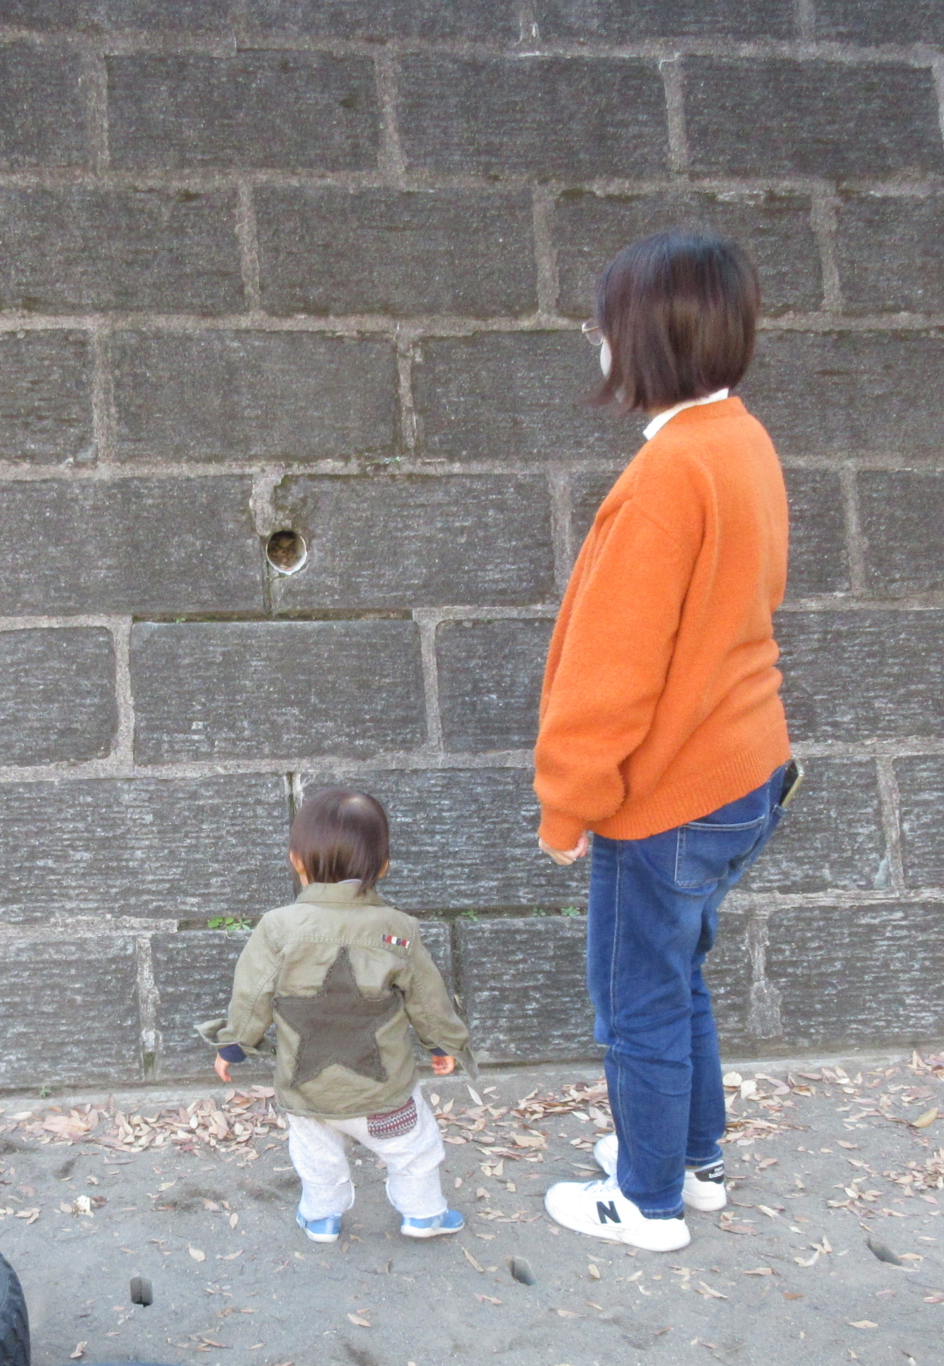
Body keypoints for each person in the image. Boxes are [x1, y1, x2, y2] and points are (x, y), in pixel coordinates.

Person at [534, 229, 797, 1255]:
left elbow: (610, 672)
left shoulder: (660, 482)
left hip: (668, 792)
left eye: (604, 320)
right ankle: (694, 1159)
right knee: (678, 972)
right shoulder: (742, 441)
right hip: (742, 767)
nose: (594, 337)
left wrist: (568, 806)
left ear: (643, 336)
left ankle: (644, 1202)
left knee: (635, 994)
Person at [203, 788, 471, 1245]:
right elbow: (428, 998)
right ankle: (424, 1214)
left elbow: (252, 996)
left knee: (316, 1156)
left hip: (307, 1090)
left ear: (296, 862)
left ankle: (321, 1218)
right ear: (383, 866)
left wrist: (234, 1044)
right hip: (384, 1090)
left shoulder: (278, 928)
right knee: (413, 1150)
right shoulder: (397, 930)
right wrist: (444, 1043)